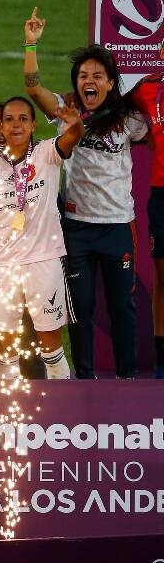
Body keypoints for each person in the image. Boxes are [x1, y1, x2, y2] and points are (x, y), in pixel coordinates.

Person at [21, 11, 146, 378]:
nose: (88, 81)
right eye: (82, 76)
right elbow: (32, 88)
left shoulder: (129, 118)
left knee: (122, 306)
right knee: (81, 306)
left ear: (110, 83)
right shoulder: (66, 109)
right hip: (75, 228)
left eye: (96, 76)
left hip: (119, 227)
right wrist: (31, 44)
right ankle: (86, 378)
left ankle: (127, 378)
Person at [0, 95, 84, 380]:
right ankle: (9, 417)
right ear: (0, 125)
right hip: (1, 267)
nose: (15, 125)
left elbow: (72, 137)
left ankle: (58, 413)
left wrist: (75, 125)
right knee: (7, 350)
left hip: (44, 261)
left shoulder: (47, 153)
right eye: (8, 119)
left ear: (34, 125)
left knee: (51, 347)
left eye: (22, 119)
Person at [130, 47, 164, 378]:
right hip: (161, 194)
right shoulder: (147, 87)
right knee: (163, 279)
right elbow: (113, 108)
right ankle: (161, 363)